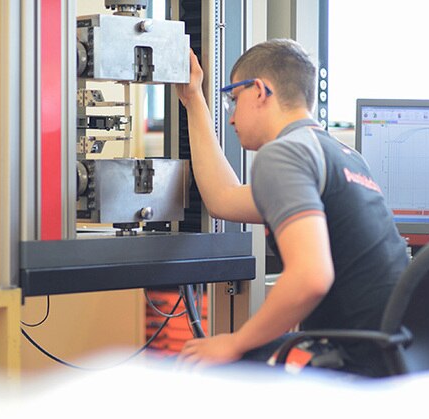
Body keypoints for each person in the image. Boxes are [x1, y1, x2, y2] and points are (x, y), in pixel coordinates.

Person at [175, 39, 409, 376]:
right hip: (392, 355)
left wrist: (235, 342)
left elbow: (310, 277)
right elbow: (223, 197)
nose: (232, 118)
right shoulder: (342, 156)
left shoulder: (283, 154)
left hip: (352, 363)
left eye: (234, 100)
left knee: (189, 366)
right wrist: (193, 98)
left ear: (259, 91)